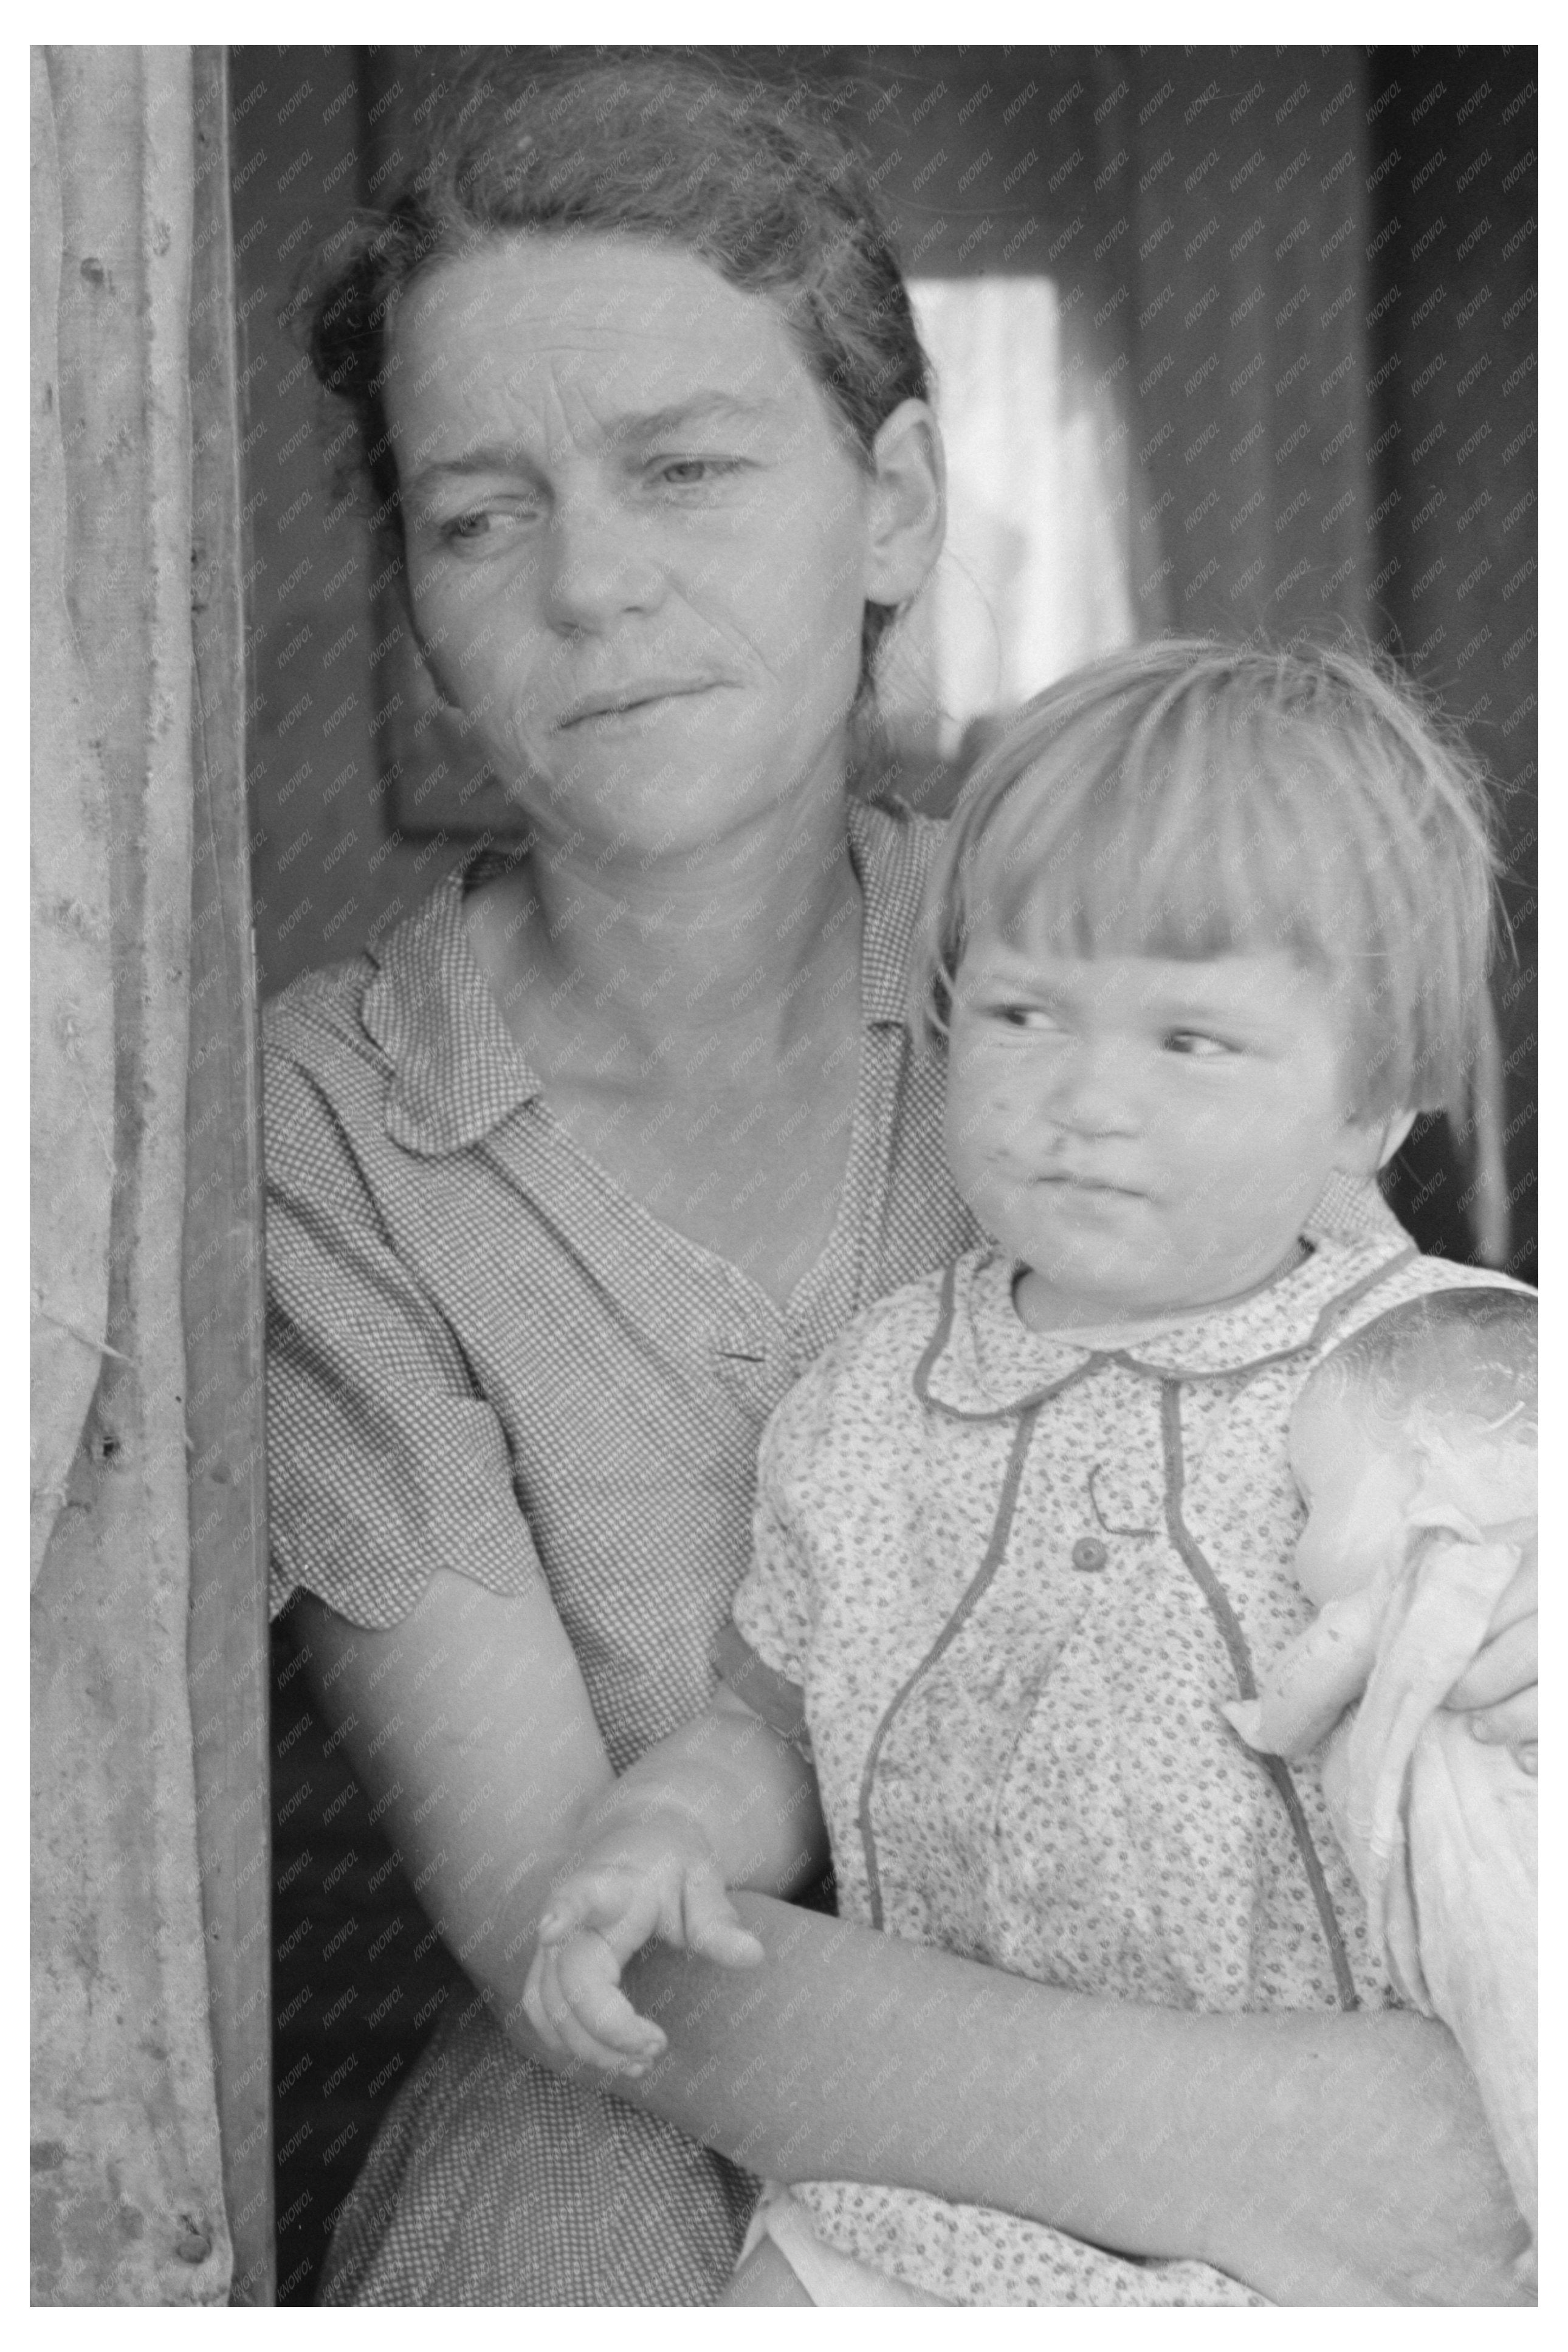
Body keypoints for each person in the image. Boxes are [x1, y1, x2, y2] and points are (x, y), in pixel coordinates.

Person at [268, 53, 1536, 2307]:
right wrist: (1301, 2141)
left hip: (1239, 1962)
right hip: (651, 2084)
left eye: (686, 468)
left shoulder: (1102, 945)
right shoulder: (331, 1129)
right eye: (479, 513)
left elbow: (1411, 1450)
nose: (592, 585)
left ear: (896, 503)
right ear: (416, 602)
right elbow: (571, 1916)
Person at [523, 641, 1539, 2305]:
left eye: (1190, 1041)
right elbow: (769, 1721)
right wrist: (660, 1830)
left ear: (1372, 1102)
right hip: (944, 2181)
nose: (1083, 1097)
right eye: (1020, 1011)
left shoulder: (1431, 1363)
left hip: (1316, 2204)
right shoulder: (862, 1409)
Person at [1227, 1288, 1536, 2258]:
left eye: (1313, 1503)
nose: (1290, 1547)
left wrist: (1261, 1721)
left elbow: (1317, 1664)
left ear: (1419, 1478)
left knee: (1518, 2035)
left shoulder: (1423, 1565)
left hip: (1502, 1896)